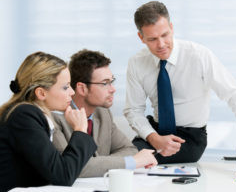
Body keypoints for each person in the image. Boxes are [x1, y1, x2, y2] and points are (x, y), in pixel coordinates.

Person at [123, 1, 236, 164]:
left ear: (172, 27)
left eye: (164, 35)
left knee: (133, 162)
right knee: (123, 157)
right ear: (141, 37)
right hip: (156, 131)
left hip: (190, 137)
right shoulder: (137, 62)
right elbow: (133, 110)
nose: (161, 44)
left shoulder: (198, 55)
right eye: (153, 39)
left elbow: (233, 93)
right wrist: (154, 138)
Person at [0, 52, 97, 192]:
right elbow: (63, 175)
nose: (72, 92)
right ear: (41, 93)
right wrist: (80, 130)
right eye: (65, 87)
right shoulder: (24, 116)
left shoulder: (30, 113)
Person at [52, 49, 157, 177]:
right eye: (105, 83)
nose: (113, 89)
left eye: (111, 81)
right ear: (82, 88)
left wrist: (99, 165)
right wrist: (132, 162)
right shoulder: (55, 118)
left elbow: (129, 150)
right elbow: (73, 167)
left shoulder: (103, 113)